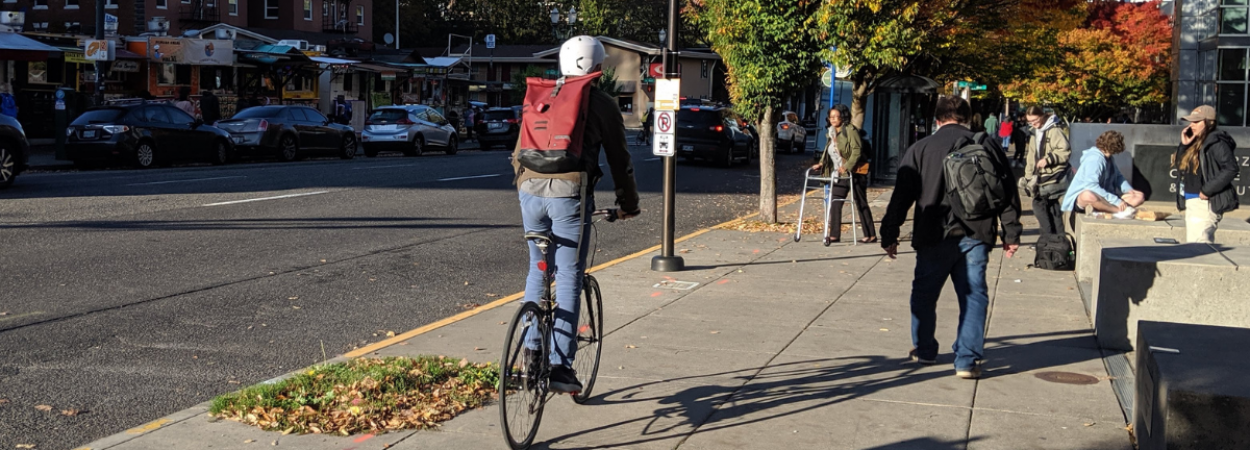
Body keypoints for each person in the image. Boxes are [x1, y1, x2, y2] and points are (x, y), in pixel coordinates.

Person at [512, 36, 641, 394]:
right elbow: (620, 161)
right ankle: (559, 367)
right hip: (568, 194)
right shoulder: (601, 103)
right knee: (568, 273)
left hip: (529, 191)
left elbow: (519, 149)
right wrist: (628, 205)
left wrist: (526, 185)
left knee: (538, 267)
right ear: (598, 69)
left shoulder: (541, 96)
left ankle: (530, 353)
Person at [880, 96, 1022, 380]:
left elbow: (902, 196)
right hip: (977, 232)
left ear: (937, 119)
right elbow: (1005, 191)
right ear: (968, 118)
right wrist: (1011, 232)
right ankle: (967, 360)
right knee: (974, 296)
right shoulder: (986, 145)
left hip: (933, 233)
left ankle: (925, 349)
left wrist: (890, 233)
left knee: (924, 294)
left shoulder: (921, 148)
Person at [1174, 105, 1241, 243]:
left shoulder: (1216, 141)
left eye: (1197, 121)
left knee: (1199, 246)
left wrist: (1207, 190)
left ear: (1209, 122)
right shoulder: (1196, 141)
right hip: (1192, 199)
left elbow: (1231, 168)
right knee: (1194, 245)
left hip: (1205, 202)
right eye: (1191, 121)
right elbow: (1181, 167)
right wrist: (1184, 144)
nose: (1192, 125)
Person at [811, 104, 876, 243]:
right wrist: (821, 163)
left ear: (843, 116)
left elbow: (857, 150)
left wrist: (847, 166)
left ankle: (871, 234)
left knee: (860, 202)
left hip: (854, 172)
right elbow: (829, 150)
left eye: (836, 116)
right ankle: (835, 235)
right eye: (831, 116)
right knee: (835, 202)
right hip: (839, 173)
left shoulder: (850, 130)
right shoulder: (832, 132)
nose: (833, 119)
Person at [1061, 130, 1144, 218]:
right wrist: (1116, 201)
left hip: (1105, 196)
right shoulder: (1095, 159)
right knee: (1088, 195)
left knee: (1139, 196)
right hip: (1085, 198)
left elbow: (1118, 176)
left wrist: (1128, 190)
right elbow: (1091, 186)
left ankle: (1111, 210)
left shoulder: (1109, 158)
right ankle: (1118, 211)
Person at [1023, 106, 1071, 237]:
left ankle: (1048, 239)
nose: (1033, 124)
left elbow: (1065, 151)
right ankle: (1058, 240)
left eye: (1035, 120)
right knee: (1052, 208)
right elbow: (1031, 156)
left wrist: (1049, 159)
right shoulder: (1034, 132)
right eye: (1030, 122)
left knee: (1039, 204)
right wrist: (1028, 177)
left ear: (1042, 116)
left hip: (1052, 176)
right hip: (1041, 176)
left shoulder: (1054, 131)